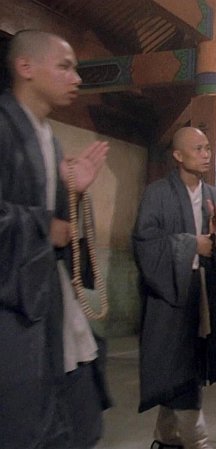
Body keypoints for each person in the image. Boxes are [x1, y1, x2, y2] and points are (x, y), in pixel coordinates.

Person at [0, 30, 111, 449]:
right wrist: (43, 226)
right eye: (64, 66)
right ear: (25, 67)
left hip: (50, 296)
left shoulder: (49, 137)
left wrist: (74, 192)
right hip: (14, 304)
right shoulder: (4, 127)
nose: (76, 78)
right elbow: (44, 225)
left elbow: (61, 227)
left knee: (79, 417)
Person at [133, 126, 216, 449]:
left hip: (203, 292)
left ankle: (165, 439)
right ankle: (198, 441)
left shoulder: (213, 195)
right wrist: (191, 244)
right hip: (170, 296)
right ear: (178, 155)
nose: (206, 154)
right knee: (179, 369)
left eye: (207, 148)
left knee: (186, 367)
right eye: (198, 149)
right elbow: (144, 243)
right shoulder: (157, 194)